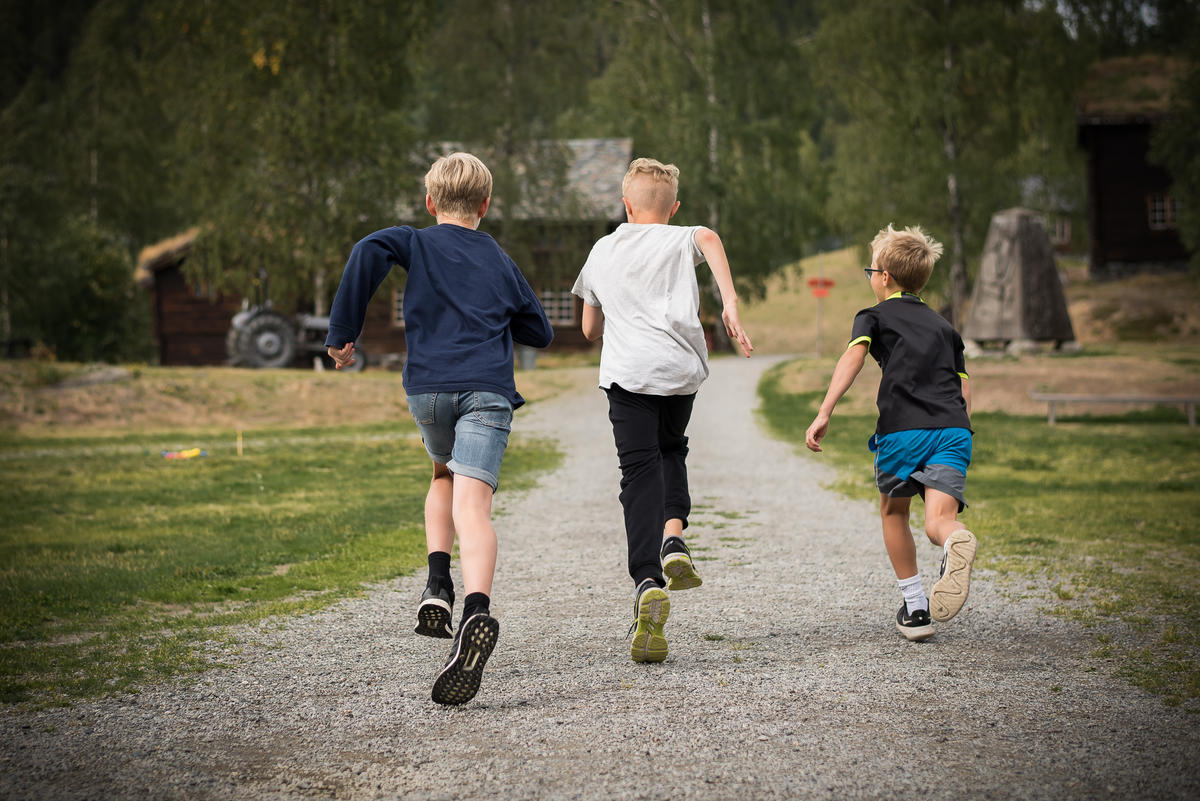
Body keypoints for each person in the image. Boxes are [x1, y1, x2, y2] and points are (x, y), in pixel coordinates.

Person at [324, 152, 553, 704]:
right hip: (486, 391)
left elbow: (367, 249)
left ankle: (436, 584)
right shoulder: (498, 257)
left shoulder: (414, 242)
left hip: (428, 391)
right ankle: (476, 610)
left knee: (440, 475)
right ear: (486, 204)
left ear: (430, 203)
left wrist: (342, 331)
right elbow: (539, 330)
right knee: (472, 506)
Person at [571, 157, 753, 663]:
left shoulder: (603, 248)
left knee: (638, 471)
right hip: (678, 372)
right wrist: (729, 303)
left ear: (626, 205)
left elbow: (588, 329)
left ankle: (647, 579)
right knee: (672, 448)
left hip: (629, 373)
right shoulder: (682, 238)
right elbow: (710, 238)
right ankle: (674, 537)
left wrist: (622, 327)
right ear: (673, 208)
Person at [804, 224, 977, 642]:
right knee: (940, 518)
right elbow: (964, 385)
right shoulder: (944, 326)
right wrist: (962, 426)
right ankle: (956, 540)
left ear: (884, 277)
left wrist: (825, 410)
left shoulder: (873, 316)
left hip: (902, 433)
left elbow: (854, 359)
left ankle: (916, 608)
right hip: (953, 430)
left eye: (870, 271)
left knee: (894, 512)